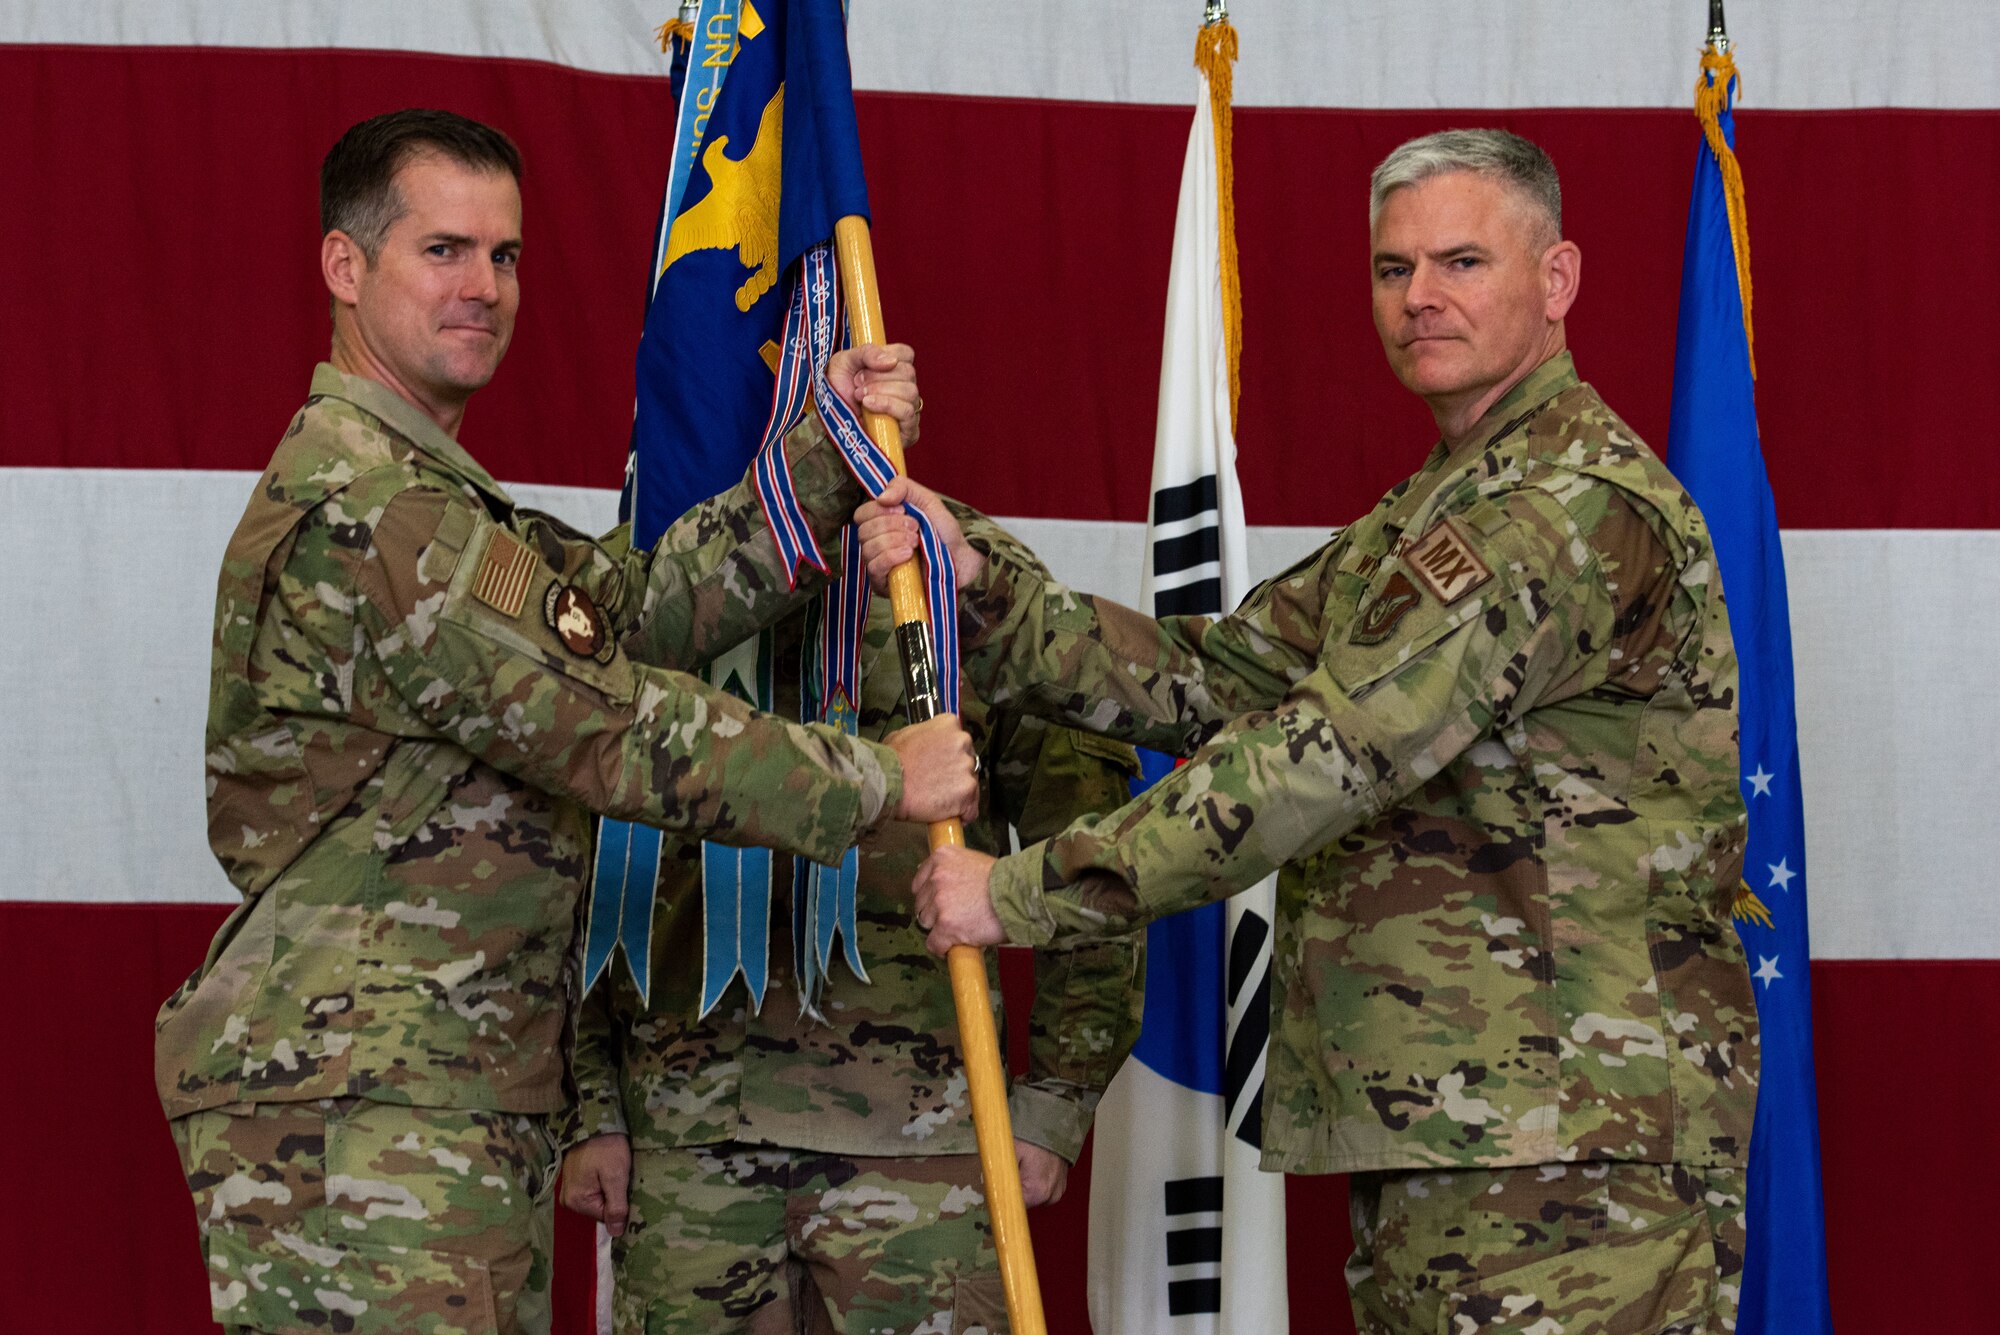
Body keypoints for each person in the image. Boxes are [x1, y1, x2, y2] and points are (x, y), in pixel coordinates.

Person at [863, 130, 1759, 1334]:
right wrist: (977, 576)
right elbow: (1214, 681)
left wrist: (1018, 895)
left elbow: (1318, 760)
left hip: (1568, 1154)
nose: (1419, 298)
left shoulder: (1560, 512)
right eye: (1393, 270)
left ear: (1555, 282)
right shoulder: (1445, 502)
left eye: (1459, 262)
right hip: (1469, 1128)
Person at [157, 108, 977, 1335]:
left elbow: (618, 616)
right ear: (345, 267)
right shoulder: (371, 514)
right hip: (362, 1100)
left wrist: (824, 451)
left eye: (505, 256)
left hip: (427, 1088)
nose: (482, 288)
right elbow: (606, 723)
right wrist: (873, 783)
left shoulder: (433, 498)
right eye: (442, 250)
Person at [557, 506, 1144, 1335]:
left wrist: (1057, 1096)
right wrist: (590, 1105)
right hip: (685, 1136)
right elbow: (568, 843)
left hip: (918, 1137)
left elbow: (1087, 850)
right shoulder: (663, 552)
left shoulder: (955, 564)